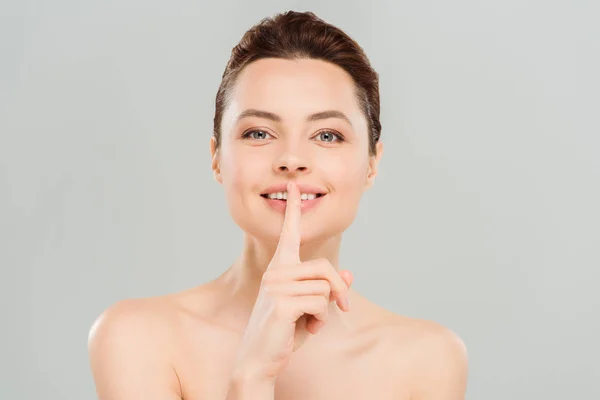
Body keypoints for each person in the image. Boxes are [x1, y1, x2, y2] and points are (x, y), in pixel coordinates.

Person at [88, 10, 468, 400]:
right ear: (217, 157)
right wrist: (253, 375)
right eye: (259, 132)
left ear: (372, 163)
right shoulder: (137, 338)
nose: (291, 158)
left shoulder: (428, 358)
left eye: (327, 135)